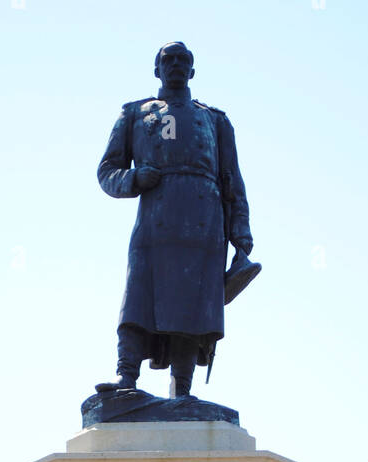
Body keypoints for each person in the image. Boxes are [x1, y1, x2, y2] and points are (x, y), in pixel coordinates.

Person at [96, 40, 254, 398]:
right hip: (156, 221)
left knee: (192, 307)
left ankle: (182, 390)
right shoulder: (135, 113)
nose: (177, 65)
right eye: (169, 59)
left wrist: (241, 239)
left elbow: (233, 181)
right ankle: (126, 377)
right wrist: (134, 179)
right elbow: (107, 171)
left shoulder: (215, 120)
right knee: (138, 298)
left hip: (204, 224)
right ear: (157, 69)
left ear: (193, 70)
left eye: (184, 60)